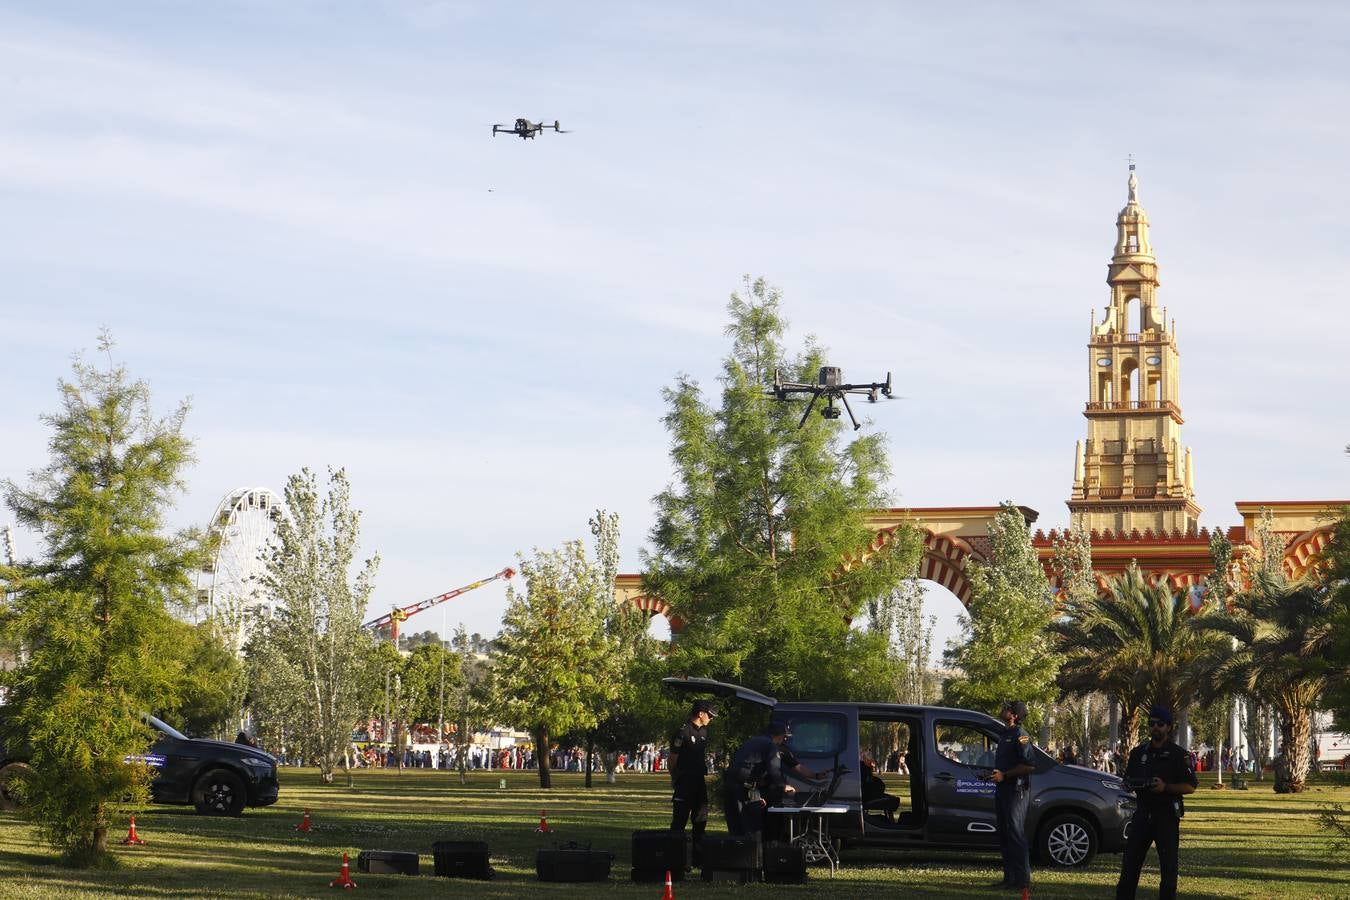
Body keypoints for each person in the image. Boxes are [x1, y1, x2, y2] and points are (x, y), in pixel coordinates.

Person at [1116, 705, 1197, 900]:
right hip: (1143, 814)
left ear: (1168, 727)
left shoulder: (1179, 755)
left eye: (1160, 724)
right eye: (1152, 724)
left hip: (1166, 816)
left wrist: (1165, 787)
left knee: (1168, 867)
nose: (1155, 728)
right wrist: (1129, 785)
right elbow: (1129, 778)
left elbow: (1190, 786)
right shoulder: (1138, 753)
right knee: (1130, 865)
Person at [989, 700, 1035, 892]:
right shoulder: (1004, 733)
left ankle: (1022, 879)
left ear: (1015, 715)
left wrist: (1005, 775)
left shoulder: (1020, 735)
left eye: (1008, 708)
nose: (1004, 709)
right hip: (1002, 788)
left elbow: (1029, 765)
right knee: (1004, 833)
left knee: (1015, 832)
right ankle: (1009, 878)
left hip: (1016, 790)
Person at [669, 699, 716, 865]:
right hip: (685, 780)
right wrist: (675, 778)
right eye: (709, 715)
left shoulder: (703, 732)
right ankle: (675, 858)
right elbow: (672, 759)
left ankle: (698, 857)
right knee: (680, 819)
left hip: (698, 780)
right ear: (701, 714)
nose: (711, 719)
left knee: (700, 818)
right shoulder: (682, 732)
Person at [860, 752, 899, 823]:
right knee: (891, 801)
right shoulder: (867, 777)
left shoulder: (869, 777)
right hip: (869, 795)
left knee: (891, 800)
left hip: (871, 793)